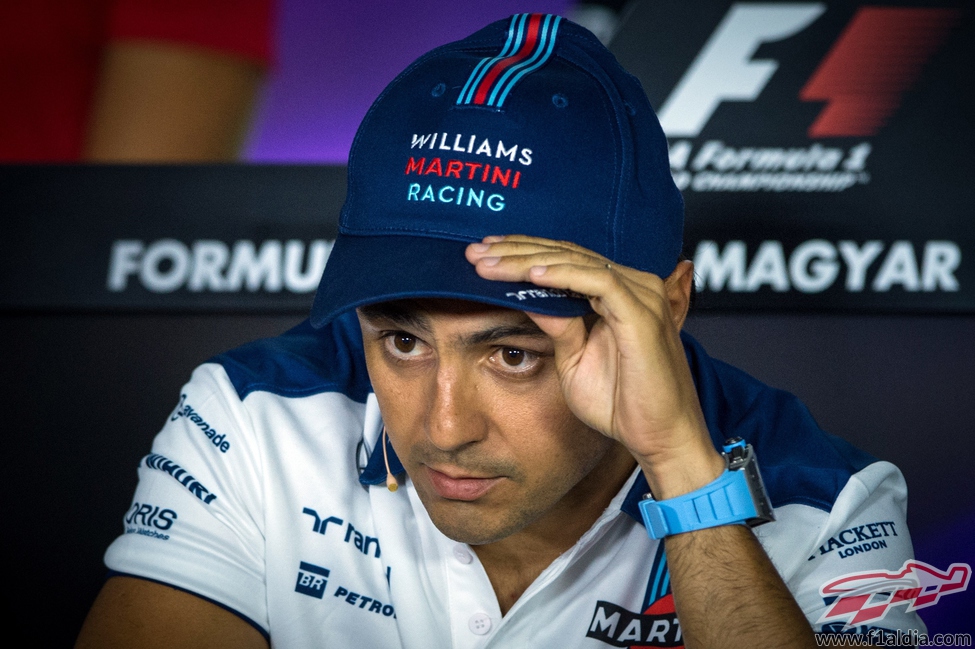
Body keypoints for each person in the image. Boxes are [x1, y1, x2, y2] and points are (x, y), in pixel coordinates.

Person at [77, 14, 925, 648]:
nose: (443, 427)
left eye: (513, 352)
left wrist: (683, 473)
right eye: (402, 341)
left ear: (664, 309)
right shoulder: (252, 417)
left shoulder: (831, 504)